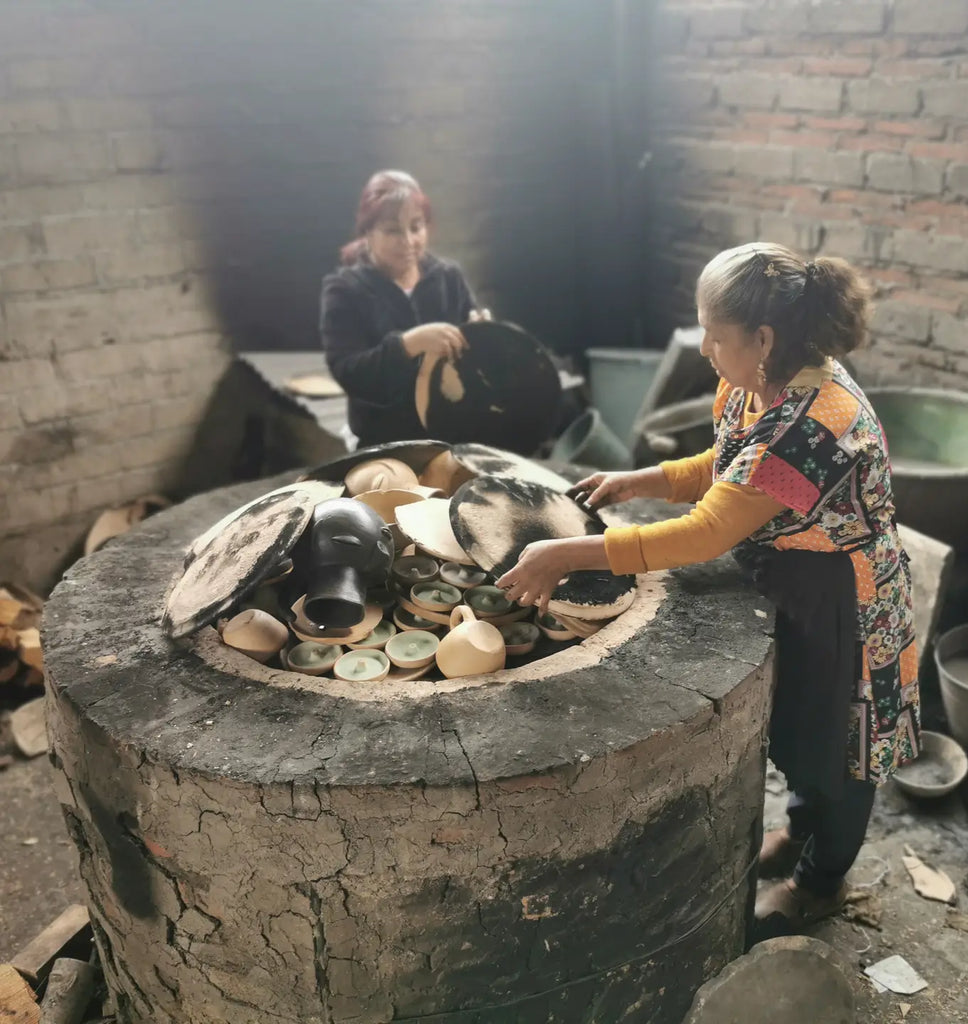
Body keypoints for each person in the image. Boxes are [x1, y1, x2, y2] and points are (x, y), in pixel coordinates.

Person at [496, 242, 920, 936]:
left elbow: (709, 530)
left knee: (840, 749)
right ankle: (800, 830)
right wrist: (645, 479)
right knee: (799, 725)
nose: (703, 349)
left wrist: (567, 553)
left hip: (843, 597)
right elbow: (727, 464)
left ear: (763, 339)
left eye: (712, 336)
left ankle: (821, 882)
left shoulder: (814, 426)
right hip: (796, 576)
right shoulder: (761, 380)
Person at [320, 170, 488, 446]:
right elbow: (348, 372)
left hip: (449, 429)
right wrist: (408, 344)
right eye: (393, 230)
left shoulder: (448, 277)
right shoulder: (344, 290)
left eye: (416, 227)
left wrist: (481, 334)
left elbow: (471, 360)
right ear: (367, 233)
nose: (408, 241)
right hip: (381, 436)